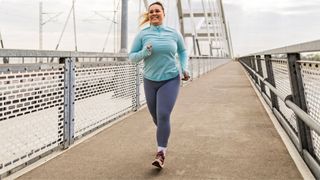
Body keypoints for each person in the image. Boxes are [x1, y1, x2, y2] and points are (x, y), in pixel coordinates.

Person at [128, 1, 190, 169]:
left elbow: (183, 51)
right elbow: (132, 57)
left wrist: (184, 68)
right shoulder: (143, 34)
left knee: (163, 115)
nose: (154, 13)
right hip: (150, 80)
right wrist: (144, 52)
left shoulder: (173, 33)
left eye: (157, 11)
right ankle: (163, 131)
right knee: (156, 117)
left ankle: (161, 152)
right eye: (151, 11)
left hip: (170, 79)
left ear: (163, 13)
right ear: (149, 15)